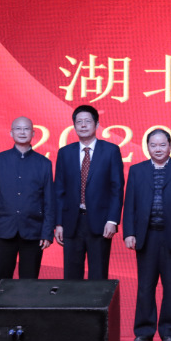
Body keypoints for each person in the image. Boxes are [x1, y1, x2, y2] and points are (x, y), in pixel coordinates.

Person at [123, 129, 171, 341]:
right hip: (145, 236)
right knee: (145, 286)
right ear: (147, 147)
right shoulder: (136, 170)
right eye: (153, 145)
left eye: (162, 145)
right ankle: (144, 330)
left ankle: (169, 331)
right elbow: (130, 204)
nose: (158, 149)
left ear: (170, 146)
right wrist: (129, 232)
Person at [0, 116, 54, 292]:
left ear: (33, 133)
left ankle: (26, 312)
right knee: (0, 285)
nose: (22, 132)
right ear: (11, 133)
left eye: (26, 129)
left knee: (29, 287)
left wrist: (47, 232)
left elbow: (49, 201)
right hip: (2, 230)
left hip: (33, 232)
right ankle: (0, 312)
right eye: (18, 129)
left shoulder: (44, 163)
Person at [54, 105, 125, 280]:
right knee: (71, 278)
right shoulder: (65, 153)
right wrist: (59, 223)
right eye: (79, 122)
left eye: (87, 121)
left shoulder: (111, 151)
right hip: (72, 222)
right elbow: (59, 190)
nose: (83, 125)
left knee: (98, 277)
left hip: (101, 223)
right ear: (74, 126)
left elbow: (116, 188)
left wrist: (112, 220)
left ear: (97, 124)